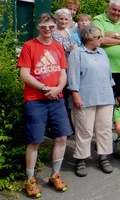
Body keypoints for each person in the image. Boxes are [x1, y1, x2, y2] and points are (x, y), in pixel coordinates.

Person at [18, 12, 74, 198]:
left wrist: (58, 88)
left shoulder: (58, 47)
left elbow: (63, 73)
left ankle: (54, 175)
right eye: (44, 26)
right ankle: (30, 180)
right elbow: (24, 75)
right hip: (35, 99)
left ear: (55, 26)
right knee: (35, 140)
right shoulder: (29, 46)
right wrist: (45, 88)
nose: (48, 29)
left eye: (51, 26)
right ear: (38, 27)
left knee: (61, 137)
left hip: (56, 98)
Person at [67, 26, 115, 177]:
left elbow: (108, 75)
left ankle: (103, 157)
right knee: (84, 130)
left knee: (105, 128)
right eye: (98, 37)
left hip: (105, 96)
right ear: (88, 39)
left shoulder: (103, 53)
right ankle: (80, 159)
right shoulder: (77, 53)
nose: (101, 39)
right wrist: (75, 95)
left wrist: (111, 92)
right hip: (84, 97)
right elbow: (73, 76)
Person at [92, 0, 120, 106]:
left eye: (119, 11)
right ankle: (108, 122)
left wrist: (115, 35)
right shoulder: (98, 19)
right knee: (107, 99)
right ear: (108, 7)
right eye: (114, 9)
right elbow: (100, 39)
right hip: (104, 68)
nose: (116, 13)